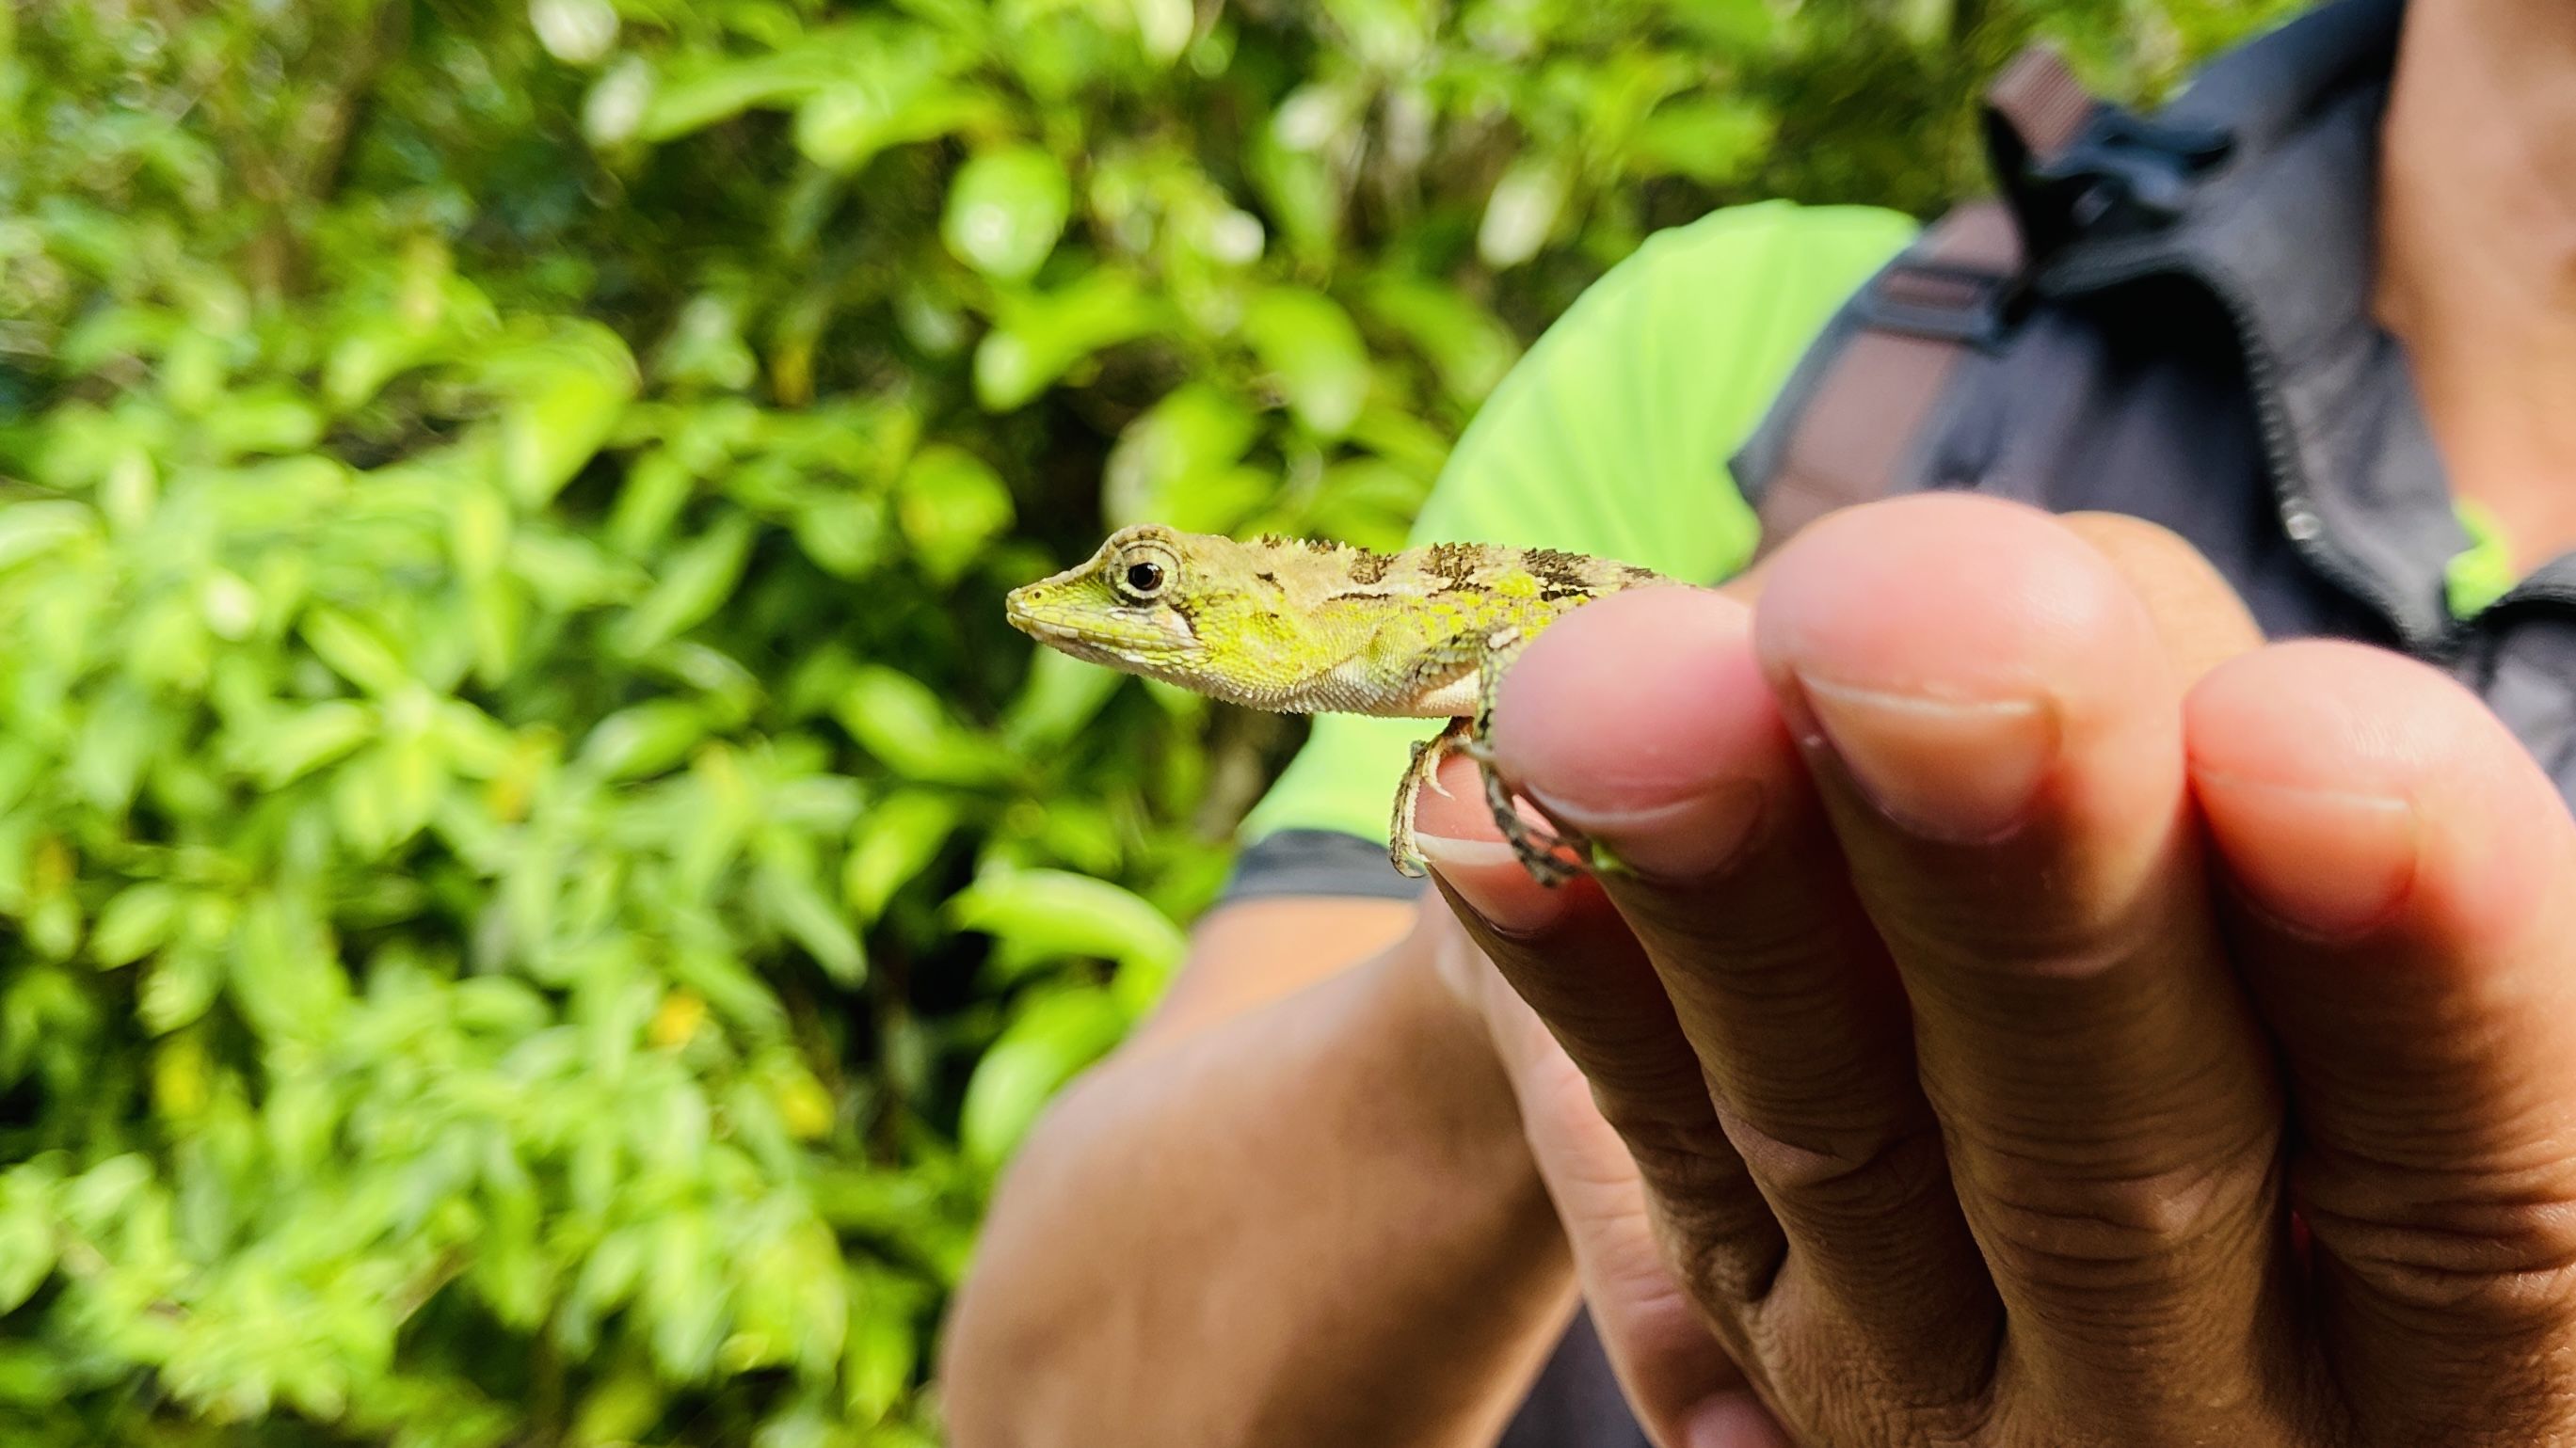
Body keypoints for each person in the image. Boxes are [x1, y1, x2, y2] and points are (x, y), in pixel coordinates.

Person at [942, 0, 2576, 1441]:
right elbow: (1042, 1409)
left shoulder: (1415, 622)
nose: (1100, 604)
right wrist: (1495, 972)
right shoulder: (1781, 347)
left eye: (1142, 577)